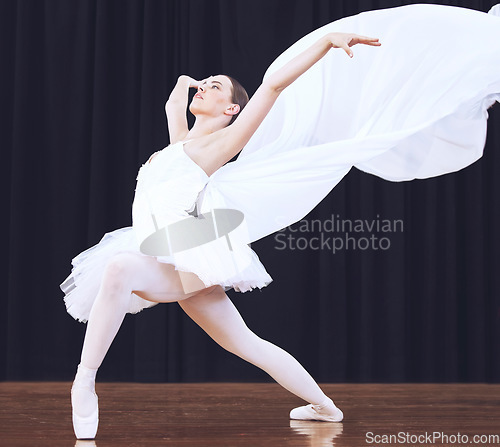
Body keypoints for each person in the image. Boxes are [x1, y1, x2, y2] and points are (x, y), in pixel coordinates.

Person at [62, 3, 500, 440]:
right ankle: (325, 407)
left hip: (189, 256)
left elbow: (271, 86)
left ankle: (84, 381)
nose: (204, 88)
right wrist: (185, 82)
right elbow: (173, 99)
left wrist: (327, 43)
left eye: (216, 88)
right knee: (247, 344)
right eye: (204, 84)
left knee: (119, 268)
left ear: (232, 110)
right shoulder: (177, 143)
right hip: (172, 250)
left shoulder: (218, 147)